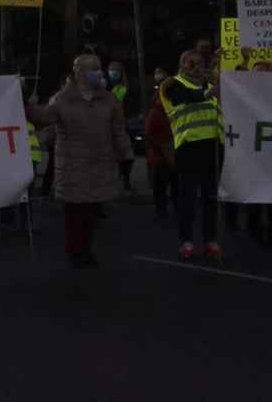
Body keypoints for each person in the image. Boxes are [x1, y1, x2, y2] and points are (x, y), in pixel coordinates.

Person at [25, 54, 133, 268]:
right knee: (75, 213)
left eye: (99, 68)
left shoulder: (108, 99)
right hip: (72, 166)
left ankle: (86, 249)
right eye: (94, 69)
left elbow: (118, 129)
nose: (99, 73)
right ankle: (76, 251)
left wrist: (126, 153)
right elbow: (43, 118)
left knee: (92, 212)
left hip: (99, 163)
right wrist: (26, 103)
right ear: (80, 73)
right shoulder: (62, 99)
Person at [162, 50, 223, 260]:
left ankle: (210, 240)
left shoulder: (208, 85)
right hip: (188, 148)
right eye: (190, 63)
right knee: (188, 198)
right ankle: (186, 241)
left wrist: (219, 66)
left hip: (211, 147)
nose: (195, 66)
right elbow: (185, 98)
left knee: (210, 198)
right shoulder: (171, 84)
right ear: (181, 63)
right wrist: (209, 92)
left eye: (198, 63)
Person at [243, 59, 272, 248]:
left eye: (265, 73)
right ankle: (254, 230)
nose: (260, 77)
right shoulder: (244, 95)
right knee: (256, 195)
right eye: (257, 73)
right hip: (252, 152)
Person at [144, 70, 177, 219]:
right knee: (161, 186)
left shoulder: (172, 109)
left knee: (174, 185)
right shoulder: (157, 111)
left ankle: (172, 208)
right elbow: (150, 135)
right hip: (160, 156)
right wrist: (164, 150)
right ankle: (162, 209)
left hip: (171, 154)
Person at [108, 61, 133, 192]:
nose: (113, 72)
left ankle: (125, 178)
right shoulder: (108, 87)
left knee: (126, 155)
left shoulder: (123, 88)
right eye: (111, 70)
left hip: (122, 123)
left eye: (116, 70)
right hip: (112, 124)